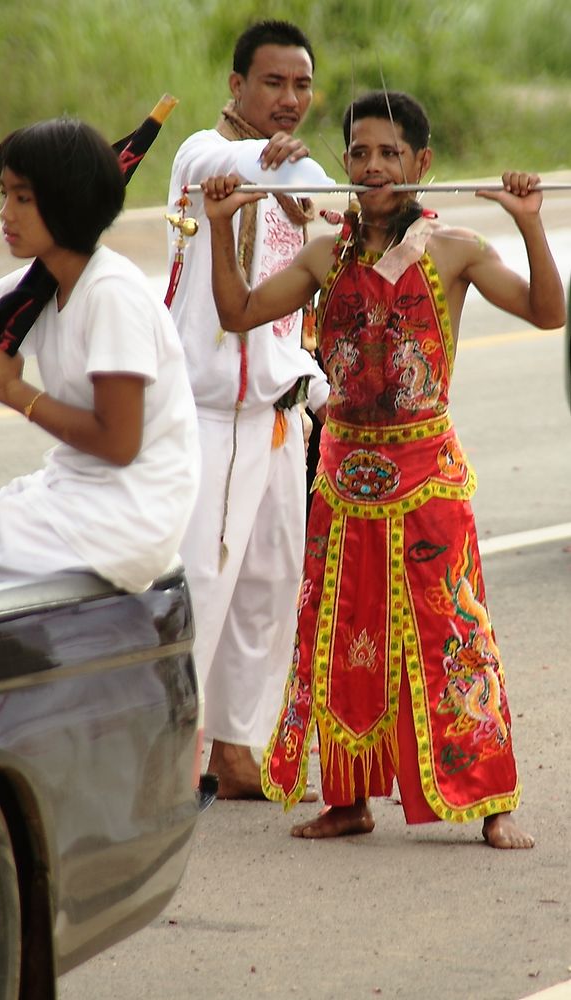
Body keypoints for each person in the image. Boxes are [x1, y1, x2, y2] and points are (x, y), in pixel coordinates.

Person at [200, 89, 566, 846]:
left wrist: (528, 225)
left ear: (421, 164)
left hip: (427, 478)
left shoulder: (455, 249)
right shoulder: (324, 252)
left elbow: (546, 311)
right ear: (344, 162)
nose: (372, 168)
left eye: (390, 154)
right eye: (360, 153)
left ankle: (491, 802)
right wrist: (220, 226)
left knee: (454, 637)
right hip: (341, 479)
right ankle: (349, 800)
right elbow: (238, 314)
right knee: (342, 638)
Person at [166, 19, 329, 798]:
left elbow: (328, 221)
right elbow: (223, 160)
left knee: (269, 589)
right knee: (200, 588)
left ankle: (237, 747)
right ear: (236, 87)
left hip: (276, 418)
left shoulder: (293, 178)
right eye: (273, 83)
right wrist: (274, 166)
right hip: (207, 421)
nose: (289, 100)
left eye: (301, 85)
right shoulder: (205, 157)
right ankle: (165, 758)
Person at [0, 117, 200, 593]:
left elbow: (119, 442)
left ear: (66, 202)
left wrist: (10, 390)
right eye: (5, 195)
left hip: (121, 519)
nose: (6, 213)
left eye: (23, 197)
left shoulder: (110, 293)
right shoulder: (45, 282)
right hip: (75, 492)